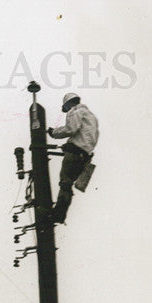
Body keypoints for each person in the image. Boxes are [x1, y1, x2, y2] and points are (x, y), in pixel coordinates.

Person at [47, 92, 99, 223]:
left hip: (75, 154)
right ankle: (60, 214)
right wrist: (69, 145)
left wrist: (54, 132)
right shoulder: (91, 116)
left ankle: (57, 214)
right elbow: (83, 137)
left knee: (65, 183)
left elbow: (71, 129)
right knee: (68, 183)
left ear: (68, 104)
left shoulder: (75, 111)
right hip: (84, 156)